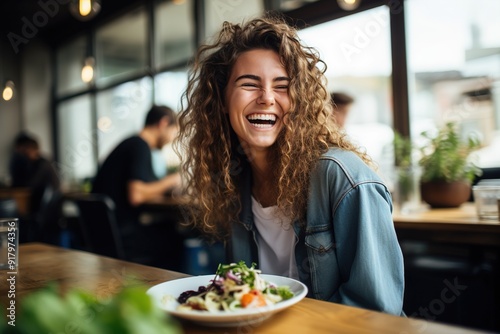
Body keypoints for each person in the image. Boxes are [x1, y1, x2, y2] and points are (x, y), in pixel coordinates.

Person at [176, 16, 405, 315]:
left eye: (282, 86)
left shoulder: (342, 177)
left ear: (299, 101)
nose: (267, 98)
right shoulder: (234, 181)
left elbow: (376, 313)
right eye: (249, 84)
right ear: (221, 99)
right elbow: (243, 296)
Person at [92, 105, 183, 269]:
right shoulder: (140, 147)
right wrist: (171, 181)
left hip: (104, 234)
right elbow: (137, 195)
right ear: (163, 123)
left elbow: (142, 188)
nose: (172, 139)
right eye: (173, 132)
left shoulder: (130, 144)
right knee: (176, 236)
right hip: (122, 236)